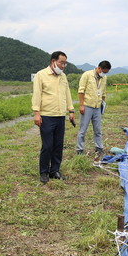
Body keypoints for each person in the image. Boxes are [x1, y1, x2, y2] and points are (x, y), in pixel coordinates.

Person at [32, 51, 75, 184]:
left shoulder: (63, 77)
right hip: (46, 115)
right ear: (53, 61)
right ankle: (43, 172)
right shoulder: (41, 75)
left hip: (60, 115)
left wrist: (71, 110)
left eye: (64, 63)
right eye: (61, 62)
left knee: (58, 145)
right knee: (47, 145)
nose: (63, 65)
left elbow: (67, 93)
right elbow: (37, 94)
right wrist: (36, 113)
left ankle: (54, 171)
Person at [76, 60, 111, 157]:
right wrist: (81, 105)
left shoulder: (104, 78)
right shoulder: (87, 75)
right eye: (104, 71)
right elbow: (81, 91)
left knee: (98, 129)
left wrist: (102, 104)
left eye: (106, 72)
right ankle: (80, 149)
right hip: (87, 106)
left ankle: (99, 148)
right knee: (83, 129)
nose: (104, 74)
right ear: (99, 68)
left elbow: (103, 92)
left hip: (97, 107)